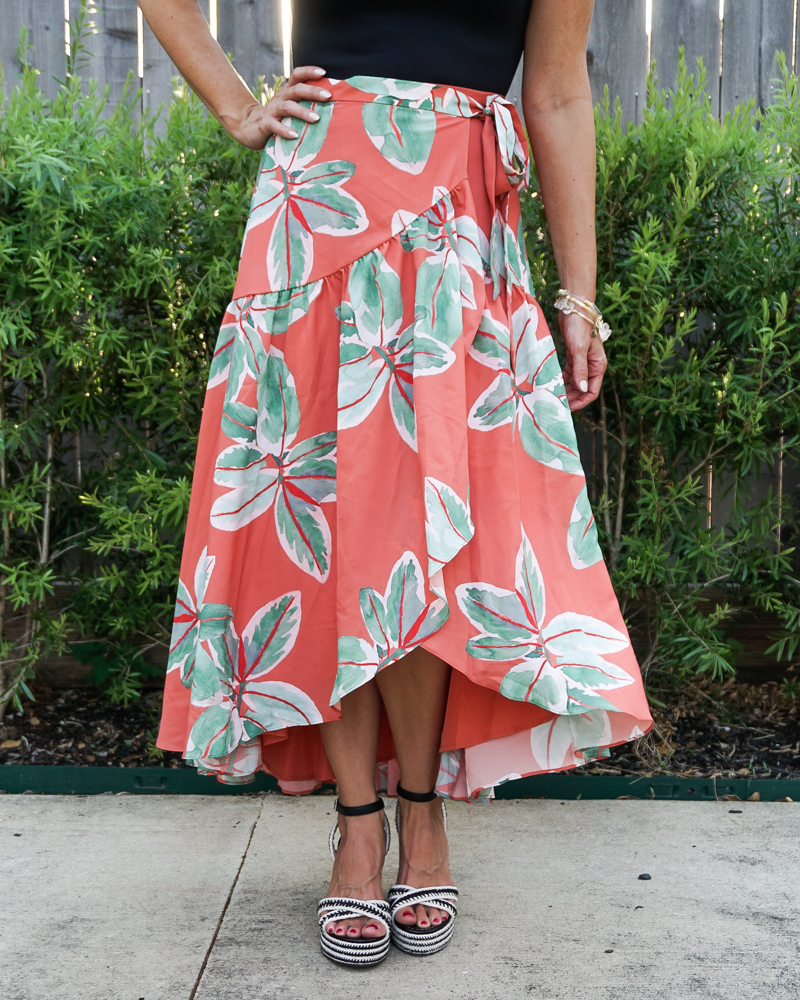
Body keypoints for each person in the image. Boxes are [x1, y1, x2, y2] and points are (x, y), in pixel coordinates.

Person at [143, 0, 652, 967]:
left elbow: (555, 88)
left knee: (428, 538)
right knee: (333, 526)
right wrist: (236, 105)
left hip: (463, 232)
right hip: (323, 211)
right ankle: (360, 824)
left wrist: (578, 296)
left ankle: (422, 819)